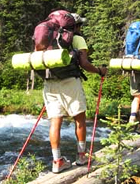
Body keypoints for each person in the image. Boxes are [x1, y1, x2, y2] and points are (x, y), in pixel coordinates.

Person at [43, 13, 107, 173]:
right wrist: (100, 70)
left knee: (55, 122)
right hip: (70, 82)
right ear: (75, 26)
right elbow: (84, 63)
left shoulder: (47, 37)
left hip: (49, 82)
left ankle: (57, 161)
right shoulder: (77, 39)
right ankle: (81, 156)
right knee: (79, 119)